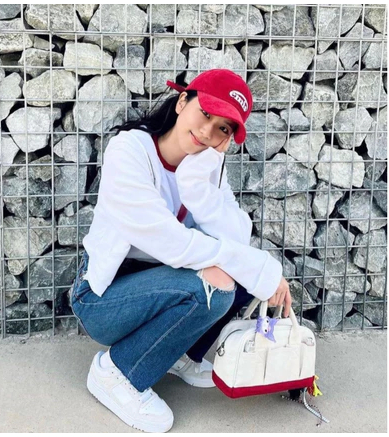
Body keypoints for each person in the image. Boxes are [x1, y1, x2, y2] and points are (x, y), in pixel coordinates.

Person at [69, 69, 292, 433]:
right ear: (183, 101)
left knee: (240, 275)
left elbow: (236, 235)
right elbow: (169, 242)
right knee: (218, 283)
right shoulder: (130, 150)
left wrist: (198, 182)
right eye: (205, 114)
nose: (207, 132)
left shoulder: (206, 165)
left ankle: (179, 354)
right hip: (102, 297)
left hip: (160, 284)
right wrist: (258, 268)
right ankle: (117, 372)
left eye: (222, 128)